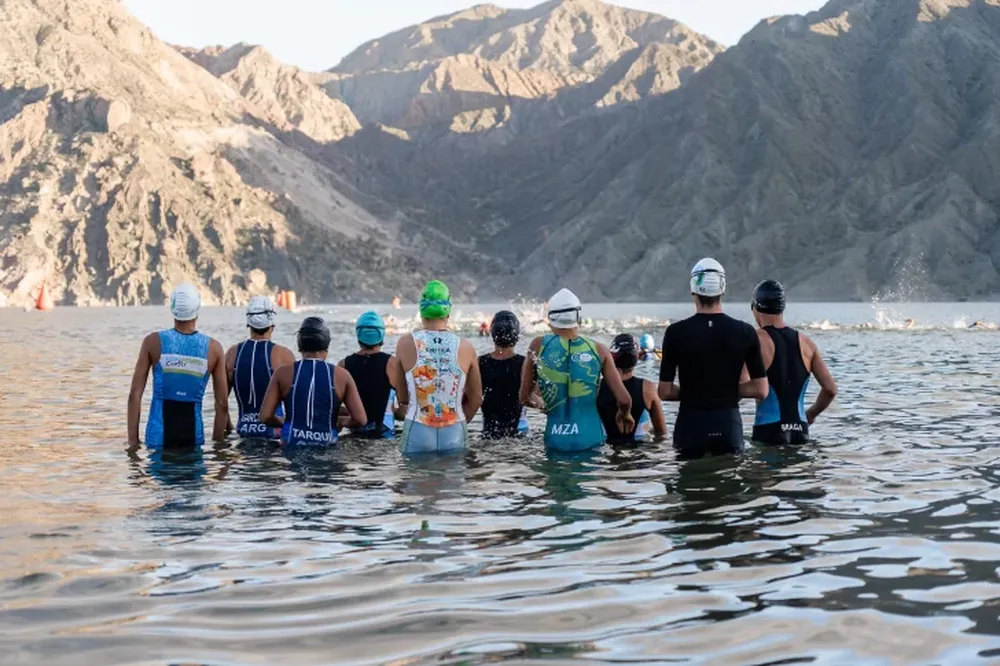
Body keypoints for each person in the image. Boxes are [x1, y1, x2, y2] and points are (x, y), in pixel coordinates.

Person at [658, 259, 769, 459]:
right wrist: (722, 390)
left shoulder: (675, 333)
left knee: (689, 486)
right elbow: (761, 390)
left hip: (690, 426)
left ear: (693, 289)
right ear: (722, 288)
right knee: (731, 485)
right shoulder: (745, 332)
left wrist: (696, 392)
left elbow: (664, 392)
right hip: (729, 426)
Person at [520, 288, 633, 452]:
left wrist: (546, 405)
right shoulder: (598, 350)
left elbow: (524, 397)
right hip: (589, 437)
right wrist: (625, 414)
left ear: (551, 318)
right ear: (577, 317)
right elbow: (624, 400)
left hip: (555, 439)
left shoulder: (538, 346)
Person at [127, 283, 228, 450]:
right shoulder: (214, 349)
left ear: (172, 308)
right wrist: (218, 445)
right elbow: (222, 404)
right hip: (193, 438)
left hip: (158, 436)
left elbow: (135, 395)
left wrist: (133, 443)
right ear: (197, 309)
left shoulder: (152, 342)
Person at [395, 280, 483, 453]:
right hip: (454, 431)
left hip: (418, 430)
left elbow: (403, 398)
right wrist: (458, 419)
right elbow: (476, 398)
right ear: (448, 312)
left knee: (412, 478)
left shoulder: (405, 344)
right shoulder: (466, 347)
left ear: (421, 312)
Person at [750, 280, 837, 445]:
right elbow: (830, 389)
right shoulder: (806, 343)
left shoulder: (755, 340)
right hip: (801, 432)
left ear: (755, 307)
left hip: (769, 431)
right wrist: (811, 414)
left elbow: (739, 385)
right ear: (782, 308)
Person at [258, 317, 367, 448]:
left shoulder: (283, 373)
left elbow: (264, 416)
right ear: (326, 344)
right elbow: (360, 419)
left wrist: (286, 422)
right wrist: (342, 422)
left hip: (291, 446)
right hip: (327, 448)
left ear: (300, 344)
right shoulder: (342, 376)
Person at [225, 296, 295, 440]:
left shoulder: (231, 354)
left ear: (248, 324)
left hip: (244, 433)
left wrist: (228, 433)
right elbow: (295, 404)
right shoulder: (284, 355)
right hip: (275, 434)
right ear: (272, 323)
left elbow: (221, 403)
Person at [338, 311, 406, 438]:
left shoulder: (343, 365)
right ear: (382, 335)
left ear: (358, 335)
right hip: (384, 436)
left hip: (354, 436)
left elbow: (335, 408)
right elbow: (405, 411)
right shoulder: (393, 364)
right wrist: (393, 411)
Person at [598, 334, 668, 443]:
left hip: (605, 449)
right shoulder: (648, 388)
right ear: (636, 358)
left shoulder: (597, 387)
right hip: (638, 451)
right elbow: (661, 432)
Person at [478, 310, 532, 439]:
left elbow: (473, 397)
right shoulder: (525, 363)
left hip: (490, 431)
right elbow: (534, 397)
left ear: (492, 333)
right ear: (517, 334)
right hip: (520, 431)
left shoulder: (480, 362)